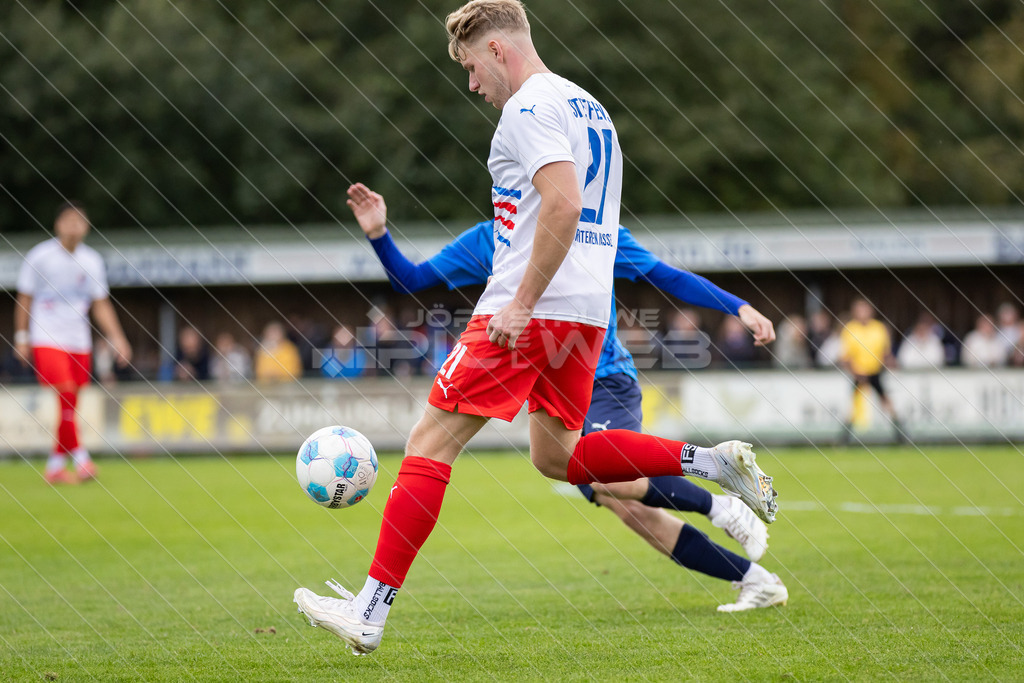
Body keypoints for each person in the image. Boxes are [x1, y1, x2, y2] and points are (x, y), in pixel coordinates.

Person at [293, 1, 781, 655]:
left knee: (429, 441)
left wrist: (521, 300)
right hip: (583, 315)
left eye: (470, 66)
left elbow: (564, 201)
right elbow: (584, 216)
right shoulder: (590, 108)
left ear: (497, 50)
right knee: (557, 456)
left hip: (530, 309)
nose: (472, 85)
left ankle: (369, 609)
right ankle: (713, 461)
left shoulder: (527, 108)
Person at [340, 181, 781, 602]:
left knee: (620, 483)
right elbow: (411, 280)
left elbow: (667, 277)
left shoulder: (594, 230)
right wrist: (378, 233)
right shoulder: (489, 237)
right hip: (550, 383)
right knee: (623, 503)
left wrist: (738, 306)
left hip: (604, 376)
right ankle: (754, 578)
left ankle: (722, 505)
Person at [14, 200, 132, 484]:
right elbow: (25, 298)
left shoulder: (92, 260)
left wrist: (118, 338)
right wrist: (22, 337)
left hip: (79, 340)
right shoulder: (40, 256)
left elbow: (100, 304)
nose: (73, 226)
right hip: (46, 336)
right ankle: (81, 460)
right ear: (58, 224)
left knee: (71, 403)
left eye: (79, 221)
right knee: (65, 392)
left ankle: (55, 465)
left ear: (87, 227)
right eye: (68, 220)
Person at [838, 298, 904, 443]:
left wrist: (890, 363)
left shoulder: (879, 328)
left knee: (886, 400)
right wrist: (855, 371)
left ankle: (900, 431)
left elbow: (886, 353)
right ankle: (845, 436)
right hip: (858, 372)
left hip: (875, 371)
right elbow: (845, 357)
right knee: (853, 405)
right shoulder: (850, 329)